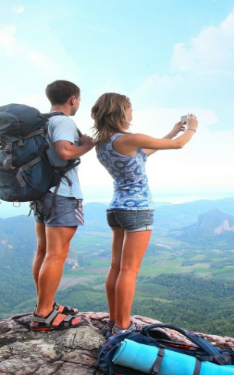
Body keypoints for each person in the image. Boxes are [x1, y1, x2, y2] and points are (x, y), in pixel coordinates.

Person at [90, 93, 198, 335]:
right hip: (138, 209)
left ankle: (114, 320)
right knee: (129, 270)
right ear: (120, 112)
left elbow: (144, 154)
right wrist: (191, 129)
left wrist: (171, 131)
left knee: (116, 267)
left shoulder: (104, 144)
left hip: (116, 208)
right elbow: (180, 145)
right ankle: (123, 325)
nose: (132, 114)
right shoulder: (130, 138)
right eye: (129, 109)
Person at [30, 80, 95, 331]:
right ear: (73, 99)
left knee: (43, 251)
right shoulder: (64, 121)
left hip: (42, 192)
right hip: (62, 194)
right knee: (57, 253)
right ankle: (44, 314)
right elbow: (65, 151)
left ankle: (44, 305)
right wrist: (86, 146)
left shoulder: (41, 121)